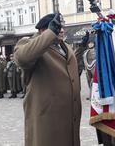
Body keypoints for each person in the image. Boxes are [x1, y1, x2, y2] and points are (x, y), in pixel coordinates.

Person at [13, 13, 87, 146]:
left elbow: (73, 71)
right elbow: (21, 58)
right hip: (47, 121)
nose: (62, 30)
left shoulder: (65, 47)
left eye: (62, 27)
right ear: (43, 30)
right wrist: (50, 34)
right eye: (57, 27)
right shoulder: (29, 44)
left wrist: (81, 47)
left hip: (68, 120)